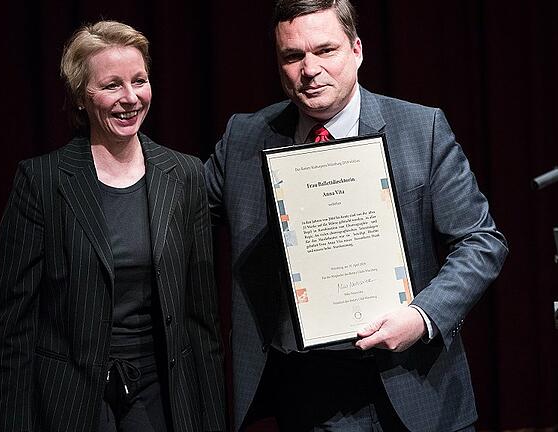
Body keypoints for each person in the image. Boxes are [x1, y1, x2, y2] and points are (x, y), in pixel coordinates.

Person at [204, 1, 508, 431]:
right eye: (293, 56)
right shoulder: (245, 138)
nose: (309, 69)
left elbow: (482, 242)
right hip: (304, 391)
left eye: (325, 50)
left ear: (357, 50)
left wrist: (421, 317)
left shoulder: (422, 130)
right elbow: (180, 208)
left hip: (413, 380)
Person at [0, 20, 225, 432]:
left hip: (161, 390)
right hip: (72, 397)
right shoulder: (41, 182)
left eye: (139, 81)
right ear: (82, 97)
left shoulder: (185, 175)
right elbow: (12, 328)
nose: (130, 98)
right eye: (112, 85)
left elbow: (201, 319)